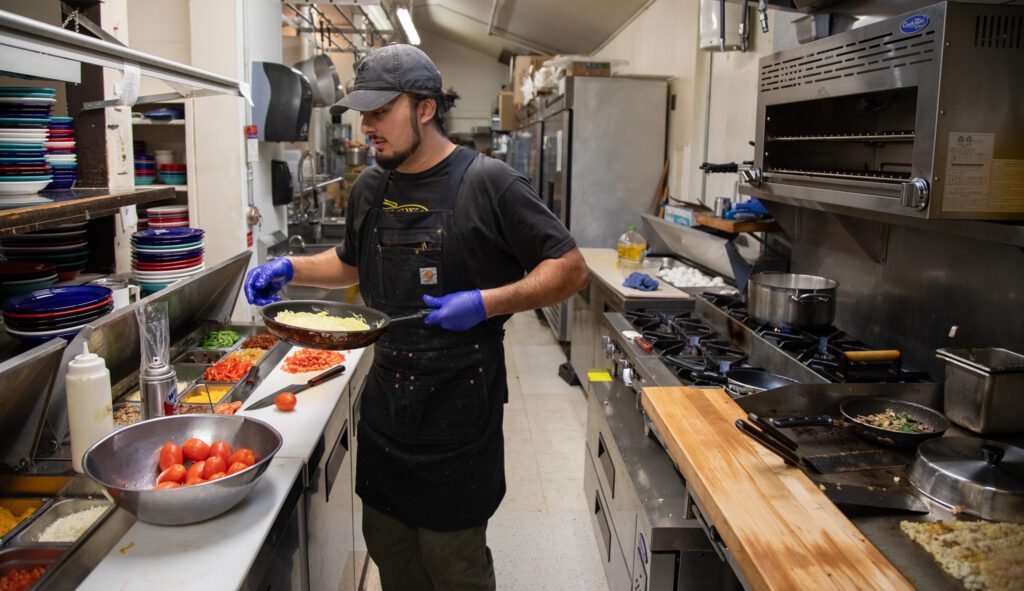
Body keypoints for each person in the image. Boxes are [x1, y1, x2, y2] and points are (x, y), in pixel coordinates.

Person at [244, 44, 588, 591]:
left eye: (380, 112)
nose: (367, 127)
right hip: (385, 408)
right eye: (363, 113)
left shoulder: (489, 182)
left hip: (459, 407)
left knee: (453, 565)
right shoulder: (371, 187)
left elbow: (569, 268)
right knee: (391, 553)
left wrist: (484, 302)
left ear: (425, 109)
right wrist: (290, 268)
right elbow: (348, 262)